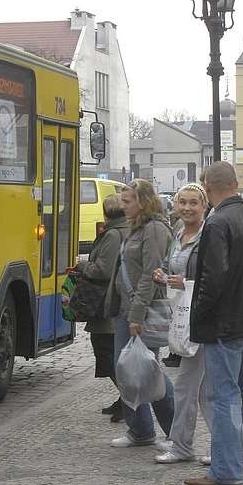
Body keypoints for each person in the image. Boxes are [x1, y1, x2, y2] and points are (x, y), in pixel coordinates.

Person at [184, 161, 243, 485]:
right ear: (235, 184)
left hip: (224, 324)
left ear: (209, 188)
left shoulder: (217, 223)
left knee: (224, 396)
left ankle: (226, 472)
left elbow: (213, 279)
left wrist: (198, 314)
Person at [105, 179, 175, 447]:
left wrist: (137, 315)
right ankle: (141, 430)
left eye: (127, 201)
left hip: (140, 310)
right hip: (125, 308)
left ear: (142, 201)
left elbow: (150, 274)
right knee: (126, 370)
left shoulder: (155, 229)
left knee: (148, 370)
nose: (123, 206)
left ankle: (174, 430)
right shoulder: (135, 228)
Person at [151, 183, 212, 465]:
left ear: (204, 206)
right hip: (182, 316)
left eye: (193, 203)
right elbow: (174, 267)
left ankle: (184, 446)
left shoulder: (208, 235)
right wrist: (163, 274)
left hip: (202, 319)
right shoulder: (177, 233)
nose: (187, 207)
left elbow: (215, 278)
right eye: (182, 202)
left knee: (192, 388)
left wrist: (186, 282)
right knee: (200, 390)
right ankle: (204, 445)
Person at [73, 194, 130, 423]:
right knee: (111, 354)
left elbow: (103, 270)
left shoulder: (113, 235)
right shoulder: (123, 230)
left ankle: (128, 400)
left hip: (105, 304)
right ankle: (125, 400)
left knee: (107, 354)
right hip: (111, 302)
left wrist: (83, 265)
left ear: (106, 213)